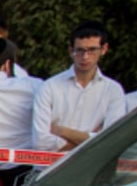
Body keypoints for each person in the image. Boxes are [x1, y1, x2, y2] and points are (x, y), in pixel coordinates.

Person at [32, 21, 126, 152]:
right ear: (71, 51)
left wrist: (62, 131)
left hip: (88, 168)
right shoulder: (49, 87)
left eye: (92, 50)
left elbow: (112, 140)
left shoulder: (113, 90)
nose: (85, 57)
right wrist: (93, 137)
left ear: (103, 49)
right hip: (50, 168)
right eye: (80, 50)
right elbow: (40, 143)